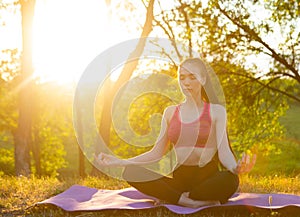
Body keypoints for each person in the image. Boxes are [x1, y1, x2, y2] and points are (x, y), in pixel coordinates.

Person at [96, 57, 256, 208]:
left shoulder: (216, 112)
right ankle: (191, 201)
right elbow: (156, 153)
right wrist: (119, 161)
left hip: (208, 178)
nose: (186, 82)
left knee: (230, 180)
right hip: (180, 179)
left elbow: (224, 152)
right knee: (131, 172)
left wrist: (235, 168)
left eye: (192, 77)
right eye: (182, 77)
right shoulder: (170, 113)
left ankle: (176, 197)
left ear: (203, 79)